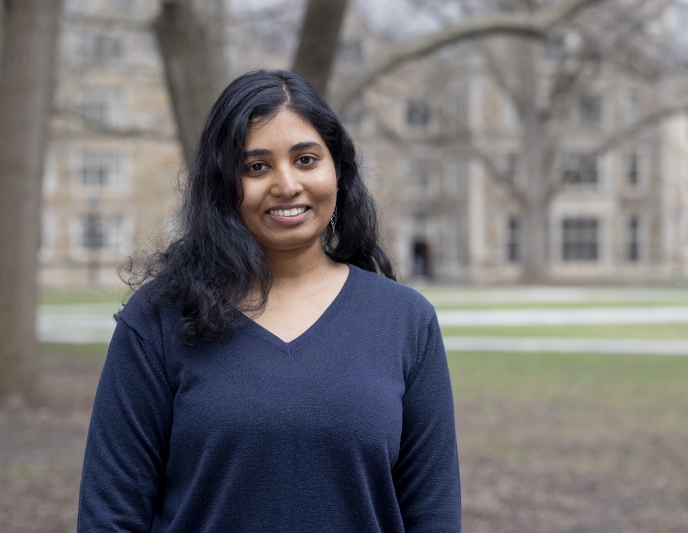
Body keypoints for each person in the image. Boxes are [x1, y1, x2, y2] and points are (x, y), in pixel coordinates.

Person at [76, 69, 460, 532]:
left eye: (305, 159)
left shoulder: (405, 321)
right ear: (223, 185)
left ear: (337, 168)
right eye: (256, 166)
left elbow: (432, 516)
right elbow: (110, 514)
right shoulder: (158, 318)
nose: (286, 184)